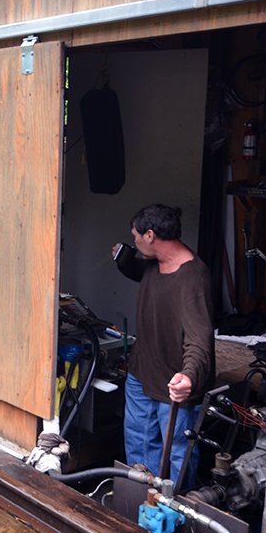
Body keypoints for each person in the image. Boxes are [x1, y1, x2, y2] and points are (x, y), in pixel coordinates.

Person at [111, 204, 214, 486]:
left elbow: (200, 341)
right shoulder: (155, 263)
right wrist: (124, 257)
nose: (135, 241)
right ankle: (141, 509)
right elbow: (143, 273)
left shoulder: (193, 281)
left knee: (179, 457)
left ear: (151, 235)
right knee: (140, 451)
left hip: (174, 384)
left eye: (136, 237)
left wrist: (189, 377)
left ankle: (178, 519)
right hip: (142, 375)